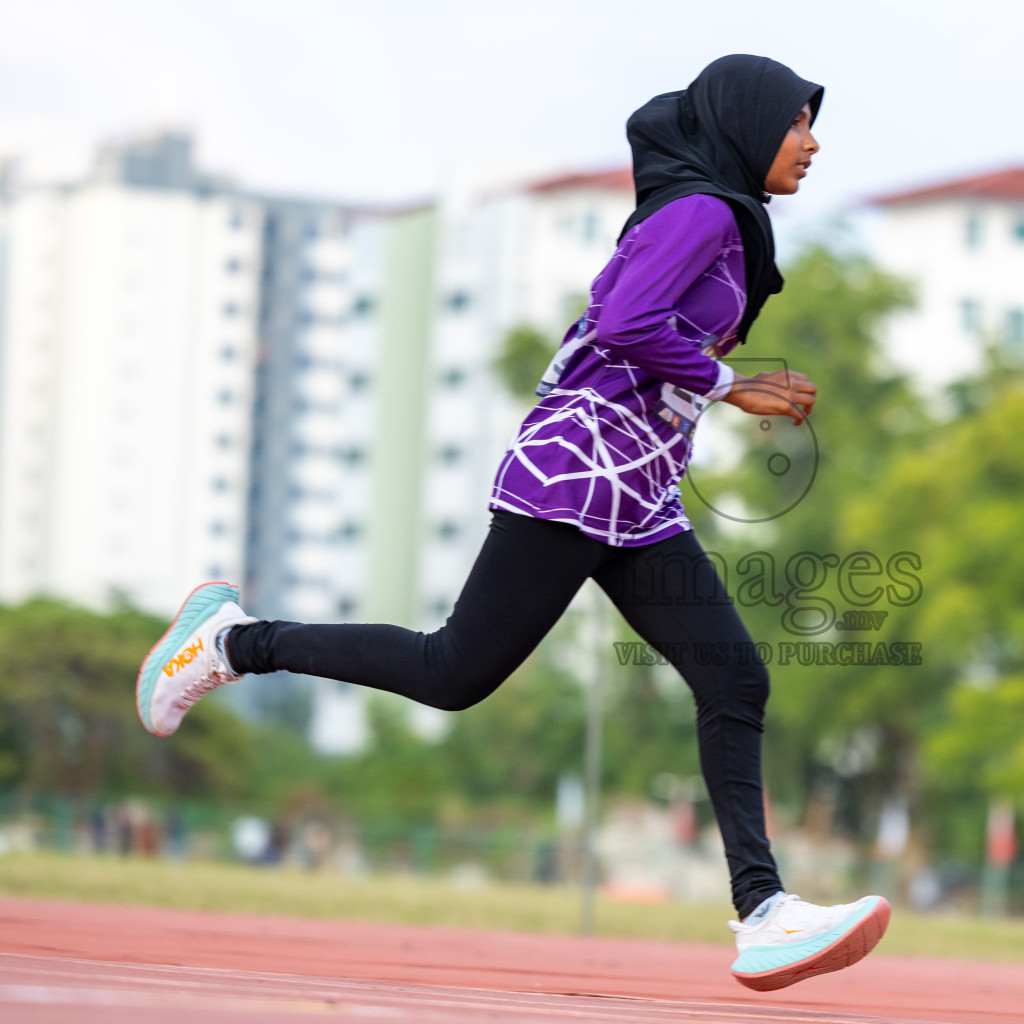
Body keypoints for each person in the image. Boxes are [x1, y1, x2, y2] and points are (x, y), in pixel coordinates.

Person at [134, 53, 890, 992]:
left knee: (733, 677)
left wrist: (720, 388)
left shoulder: (725, 221)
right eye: (797, 123)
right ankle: (233, 643)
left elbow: (645, 333)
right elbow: (620, 320)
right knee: (453, 672)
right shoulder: (703, 212)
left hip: (641, 489)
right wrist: (735, 385)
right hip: (581, 468)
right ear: (745, 125)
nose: (812, 144)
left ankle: (764, 910)